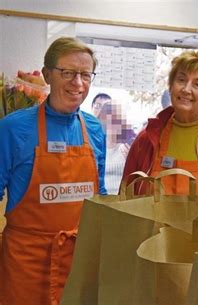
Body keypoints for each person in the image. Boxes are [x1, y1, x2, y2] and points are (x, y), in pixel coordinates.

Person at [0, 36, 106, 305]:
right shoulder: (13, 129)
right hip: (24, 264)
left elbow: (101, 198)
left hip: (78, 263)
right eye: (68, 73)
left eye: (85, 74)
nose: (78, 83)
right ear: (47, 75)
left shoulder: (94, 130)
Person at [122, 48, 198, 198]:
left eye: (197, 84)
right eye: (181, 80)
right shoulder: (146, 139)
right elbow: (124, 197)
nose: (186, 89)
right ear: (171, 86)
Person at [97, 100, 136, 194]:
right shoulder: (97, 147)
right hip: (102, 200)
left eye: (117, 120)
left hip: (122, 200)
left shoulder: (128, 147)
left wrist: (132, 160)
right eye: (109, 120)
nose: (113, 124)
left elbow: (137, 176)